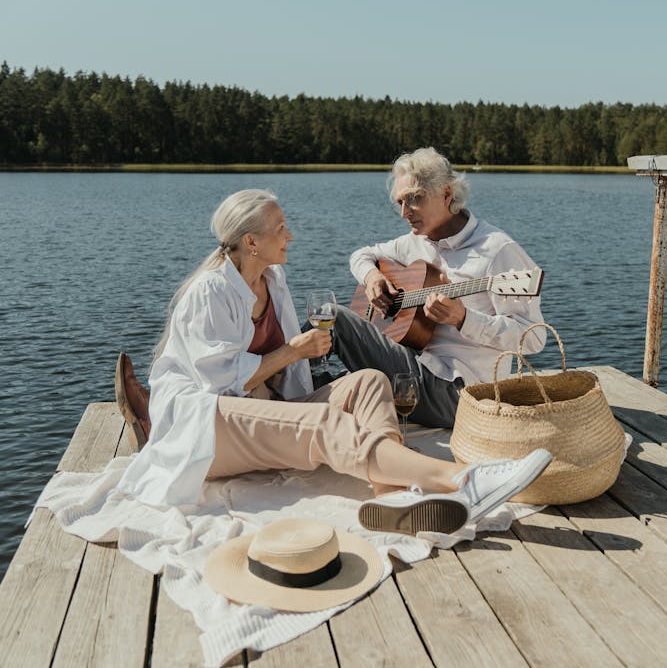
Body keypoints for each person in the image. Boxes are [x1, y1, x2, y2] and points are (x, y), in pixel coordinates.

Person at [117, 188, 551, 537]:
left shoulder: (273, 280)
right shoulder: (210, 292)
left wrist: (297, 367)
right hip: (209, 422)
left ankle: (390, 496)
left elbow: (286, 379)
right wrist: (294, 352)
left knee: (368, 382)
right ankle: (463, 480)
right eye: (281, 228)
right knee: (326, 424)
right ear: (251, 241)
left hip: (257, 411)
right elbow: (218, 384)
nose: (290, 236)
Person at [329, 148, 546, 428]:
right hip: (415, 371)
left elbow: (534, 339)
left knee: (332, 319)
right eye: (400, 203)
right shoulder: (415, 241)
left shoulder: (497, 250)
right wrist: (372, 277)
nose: (405, 213)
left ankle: (270, 398)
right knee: (325, 379)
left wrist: (464, 319)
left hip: (461, 394)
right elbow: (361, 255)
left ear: (446, 194)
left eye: (414, 199)